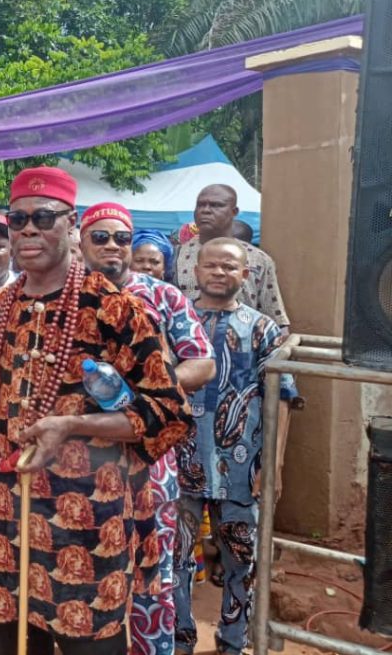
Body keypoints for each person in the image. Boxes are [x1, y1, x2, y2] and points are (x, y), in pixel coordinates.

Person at [0, 165, 191, 655]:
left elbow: (167, 411)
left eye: (43, 217)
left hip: (90, 526)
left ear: (70, 224)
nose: (28, 229)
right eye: (18, 219)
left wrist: (71, 425)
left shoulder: (112, 308)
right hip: (7, 523)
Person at [79, 203, 216, 655]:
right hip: (79, 470)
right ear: (81, 242)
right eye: (100, 237)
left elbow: (203, 361)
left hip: (148, 464)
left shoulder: (163, 297)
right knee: (84, 576)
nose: (112, 246)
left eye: (122, 237)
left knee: (150, 578)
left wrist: (150, 391)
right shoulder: (64, 303)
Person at [173, 238, 298, 655]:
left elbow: (281, 397)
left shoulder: (263, 329)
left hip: (242, 470)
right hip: (181, 466)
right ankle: (179, 639)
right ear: (196, 270)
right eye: (212, 265)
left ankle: (232, 644)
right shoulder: (178, 324)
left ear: (246, 275)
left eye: (230, 267)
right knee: (175, 561)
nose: (220, 273)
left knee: (241, 564)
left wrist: (275, 466)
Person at [174, 185, 289, 331]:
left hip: (243, 348)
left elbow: (277, 319)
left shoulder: (258, 260)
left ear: (234, 212)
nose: (206, 210)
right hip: (185, 347)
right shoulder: (175, 255)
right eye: (201, 205)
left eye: (216, 205)